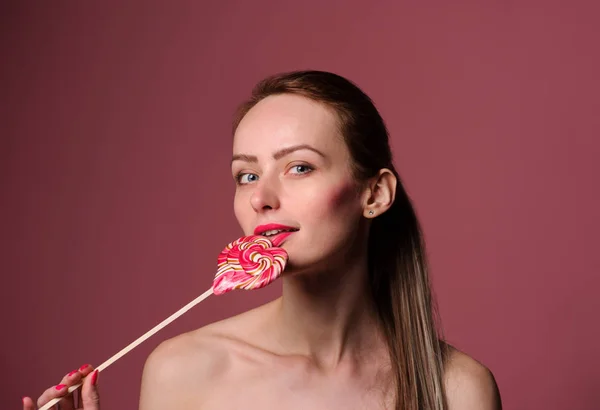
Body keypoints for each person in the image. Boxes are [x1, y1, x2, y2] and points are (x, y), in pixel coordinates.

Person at [23, 70, 502, 409]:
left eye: (299, 167)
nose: (262, 198)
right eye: (246, 175)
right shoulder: (184, 370)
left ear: (374, 193)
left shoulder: (457, 391)